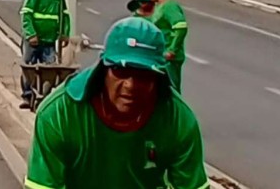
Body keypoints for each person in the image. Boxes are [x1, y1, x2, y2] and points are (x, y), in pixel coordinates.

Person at [25, 17, 208, 189]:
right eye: (121, 70)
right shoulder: (59, 114)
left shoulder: (178, 119)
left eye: (143, 75)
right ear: (103, 69)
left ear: (157, 78)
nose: (131, 85)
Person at [19, 0, 70, 109]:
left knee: (50, 69)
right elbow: (26, 14)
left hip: (49, 40)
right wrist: (31, 34)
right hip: (33, 40)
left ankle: (44, 97)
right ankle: (27, 96)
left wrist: (65, 34)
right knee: (29, 66)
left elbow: (64, 16)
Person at [146, 0, 189, 93]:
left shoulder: (170, 7)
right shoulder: (160, 6)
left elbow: (181, 27)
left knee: (171, 91)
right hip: (159, 56)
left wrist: (172, 50)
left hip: (169, 60)